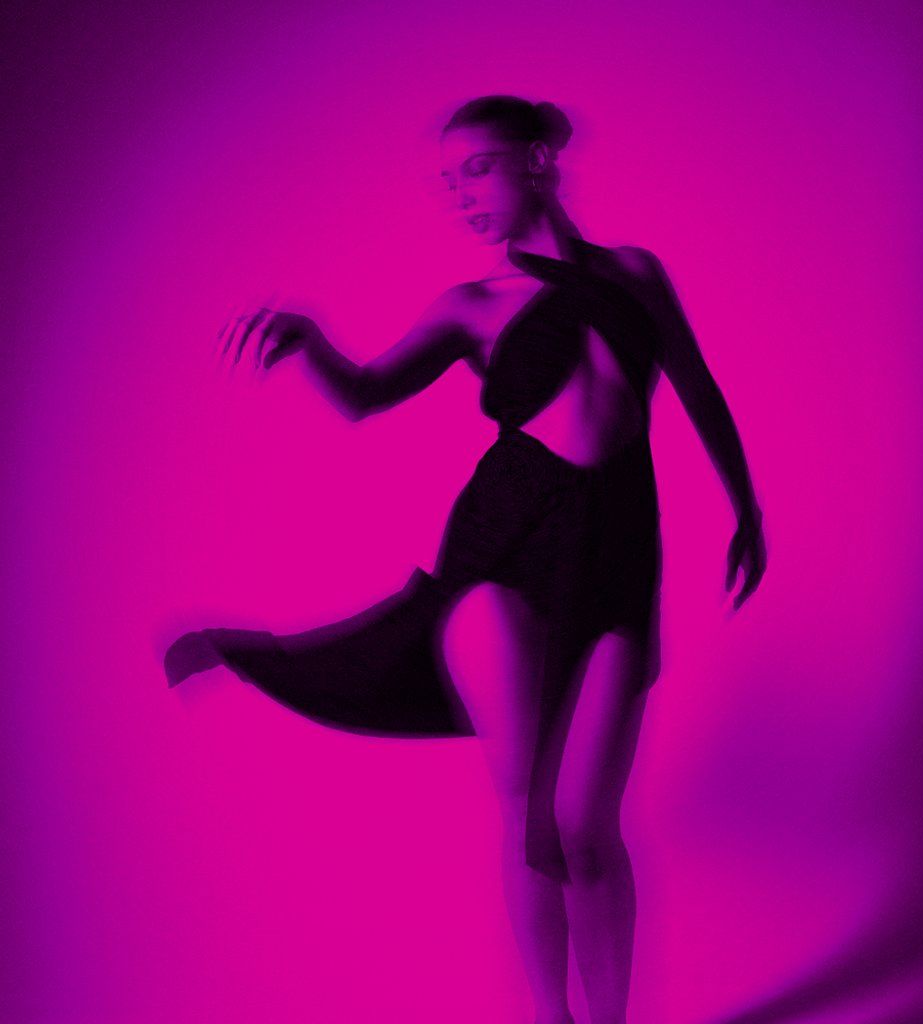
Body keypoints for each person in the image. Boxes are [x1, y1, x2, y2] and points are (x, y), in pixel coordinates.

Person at [164, 94, 767, 1024]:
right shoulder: (471, 306)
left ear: (536, 160)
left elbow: (697, 386)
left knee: (587, 824)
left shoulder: (637, 273)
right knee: (530, 813)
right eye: (448, 183)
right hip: (501, 551)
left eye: (477, 169)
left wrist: (745, 506)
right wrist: (311, 342)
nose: (462, 196)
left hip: (615, 553)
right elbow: (366, 395)